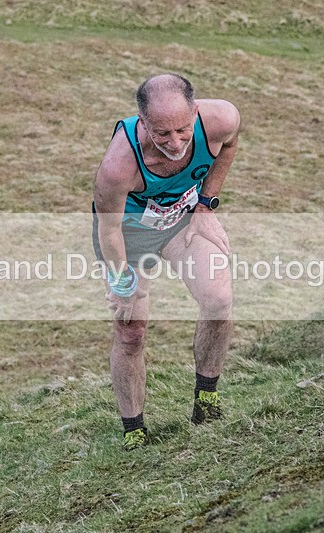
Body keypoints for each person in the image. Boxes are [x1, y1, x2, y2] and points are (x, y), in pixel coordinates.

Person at [92, 73, 240, 450]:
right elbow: (108, 233)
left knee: (218, 299)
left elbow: (229, 144)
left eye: (182, 130)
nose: (175, 143)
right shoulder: (117, 168)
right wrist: (121, 280)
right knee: (131, 331)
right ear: (143, 123)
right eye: (162, 134)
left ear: (195, 111)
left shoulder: (220, 119)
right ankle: (134, 431)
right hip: (127, 237)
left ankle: (206, 399)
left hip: (182, 221)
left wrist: (207, 204)